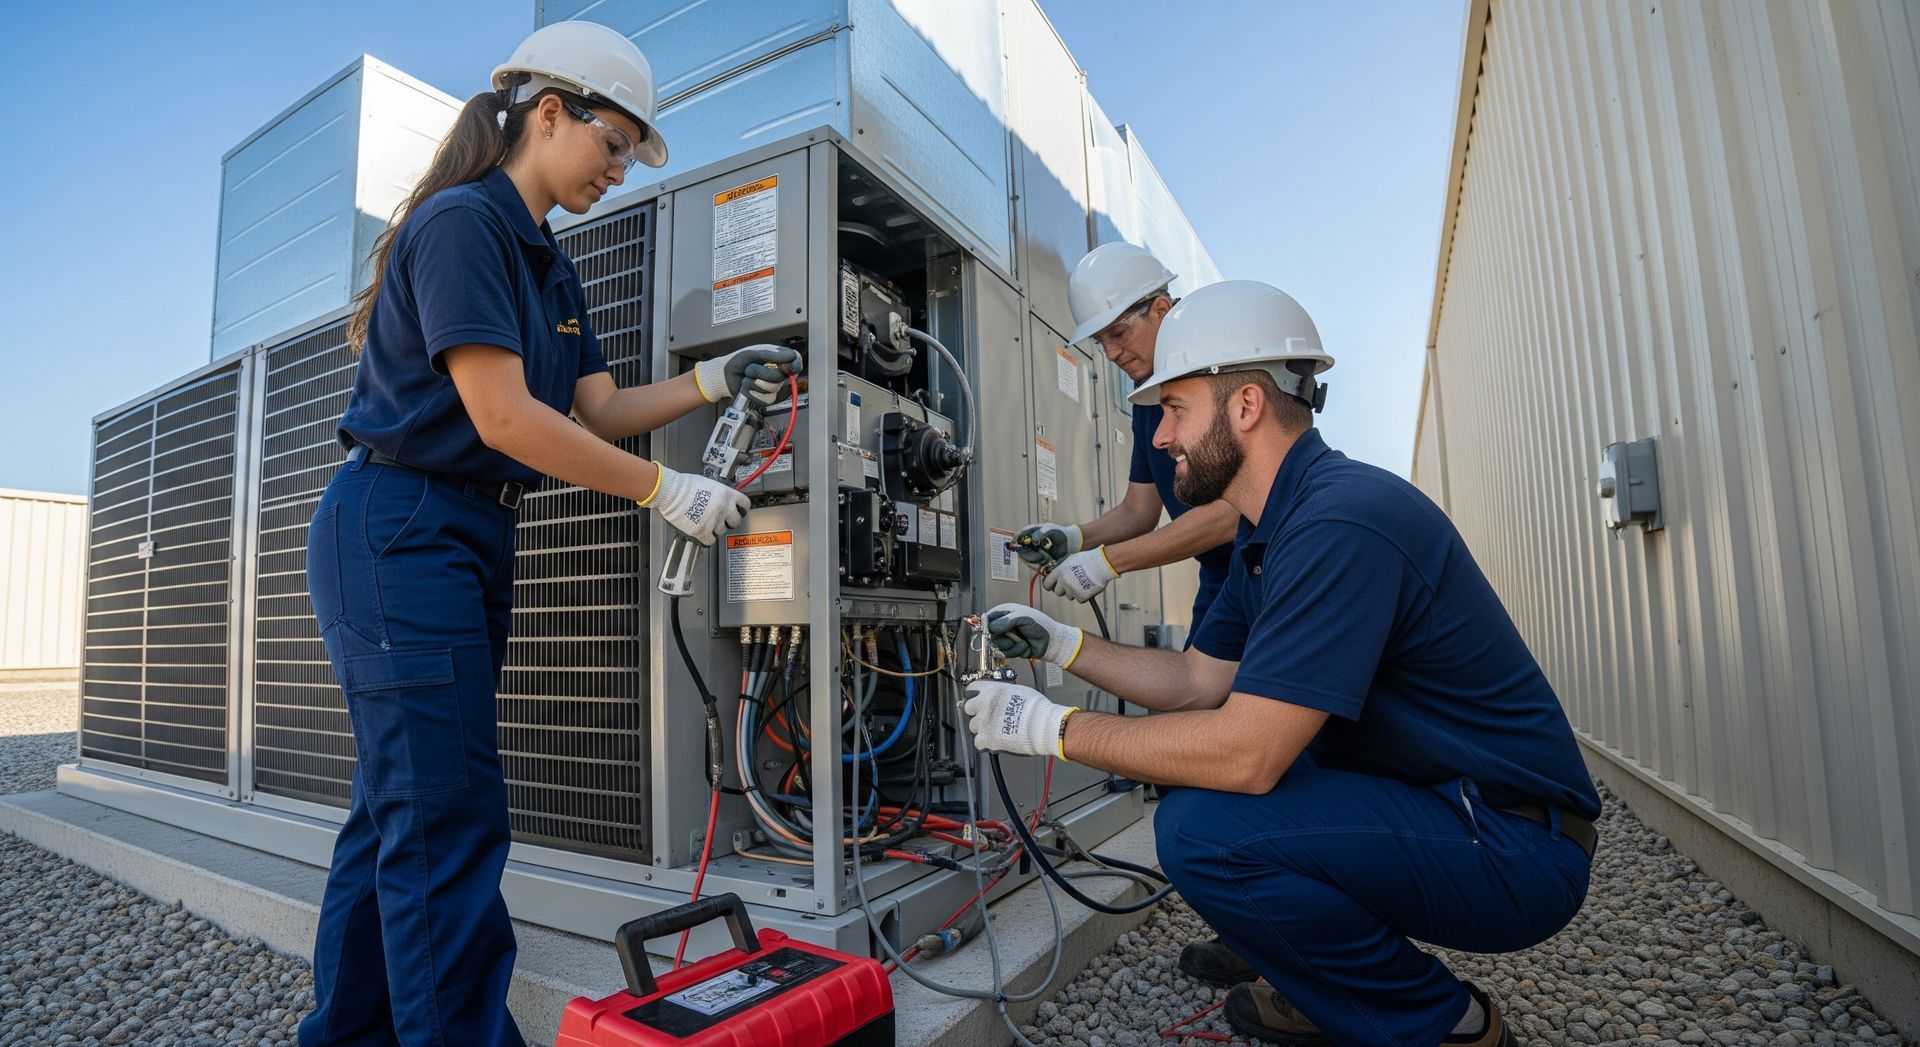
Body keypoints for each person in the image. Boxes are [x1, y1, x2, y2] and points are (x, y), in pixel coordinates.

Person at [298, 22, 797, 1046]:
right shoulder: (464, 225)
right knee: (448, 817)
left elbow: (597, 409)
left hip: (467, 533)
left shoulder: (548, 266)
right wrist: (669, 492)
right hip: (400, 525)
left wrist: (709, 380)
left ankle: (345, 1036)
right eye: (612, 144)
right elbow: (509, 420)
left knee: (397, 810)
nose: (618, 170)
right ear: (550, 110)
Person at [965, 281, 1599, 1047]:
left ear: (1246, 407)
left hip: (1513, 844)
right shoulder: (1273, 538)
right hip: (1450, 810)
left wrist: (1050, 727)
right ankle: (1320, 987)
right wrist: (1068, 646)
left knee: (1204, 828)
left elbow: (1247, 753)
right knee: (1208, 795)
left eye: (1175, 410)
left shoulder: (1342, 522)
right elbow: (1198, 681)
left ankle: (1449, 1026)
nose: (1161, 439)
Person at [1014, 243, 1238, 634]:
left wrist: (1106, 562)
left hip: (1271, 565)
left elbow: (1230, 515)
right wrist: (1073, 538)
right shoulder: (1147, 397)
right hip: (1220, 576)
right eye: (1101, 341)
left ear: (1162, 311)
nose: (1111, 353)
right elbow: (1139, 510)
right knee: (1201, 692)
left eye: (1118, 332)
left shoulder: (1217, 372)